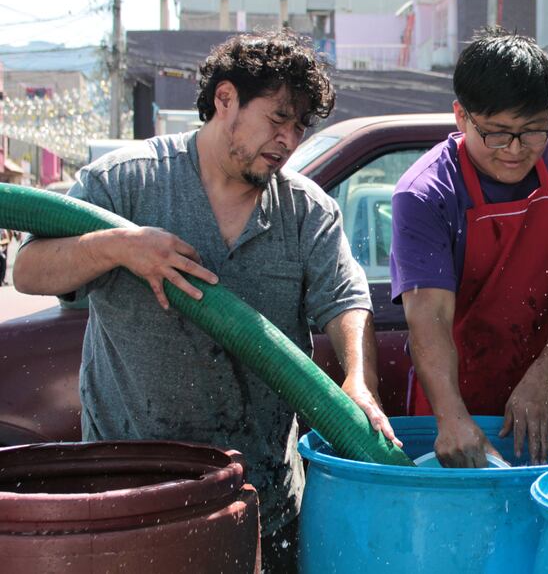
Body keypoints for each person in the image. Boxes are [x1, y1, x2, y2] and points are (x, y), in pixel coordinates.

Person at [14, 30, 396, 573]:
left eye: (299, 127)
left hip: (261, 498)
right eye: (278, 118)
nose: (288, 139)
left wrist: (358, 379)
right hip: (137, 500)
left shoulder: (306, 211)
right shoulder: (126, 183)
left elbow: (345, 299)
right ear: (225, 99)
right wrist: (118, 246)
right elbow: (28, 270)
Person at [389, 27, 548, 468]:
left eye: (533, 131)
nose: (515, 150)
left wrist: (541, 378)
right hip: (455, 391)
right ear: (461, 116)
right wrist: (451, 416)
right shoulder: (424, 192)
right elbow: (429, 315)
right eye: (497, 134)